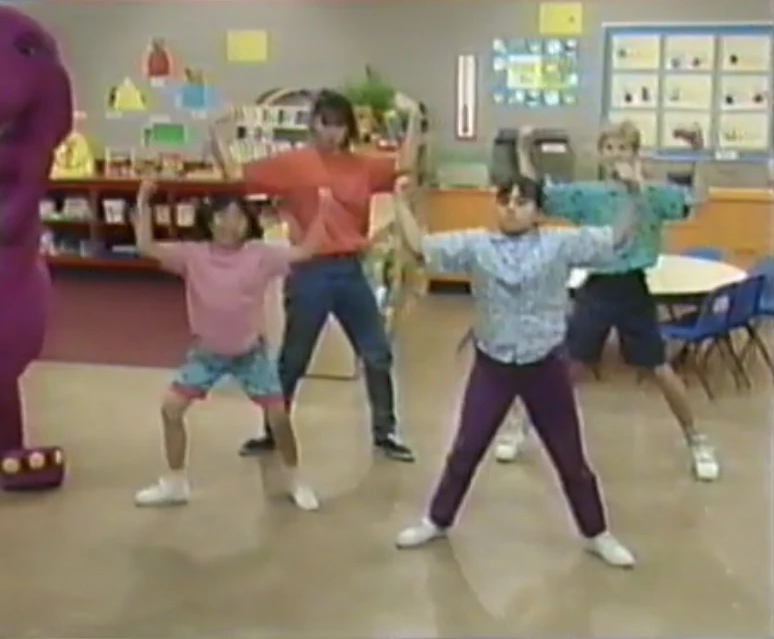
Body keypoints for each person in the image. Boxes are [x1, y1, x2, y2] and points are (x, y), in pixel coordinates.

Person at [391, 173, 639, 567]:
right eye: (505, 200)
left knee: (569, 456)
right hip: (494, 365)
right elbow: (421, 246)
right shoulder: (477, 244)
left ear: (538, 211)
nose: (511, 208)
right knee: (466, 448)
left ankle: (597, 532)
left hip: (545, 364)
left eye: (521, 202)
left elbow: (616, 238)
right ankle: (436, 520)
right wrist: (400, 201)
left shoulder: (559, 243)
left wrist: (633, 195)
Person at [493, 122, 718, 482]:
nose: (616, 155)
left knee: (659, 369)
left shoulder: (652, 195)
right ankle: (520, 427)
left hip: (633, 289)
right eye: (610, 148)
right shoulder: (589, 195)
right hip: (597, 288)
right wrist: (523, 147)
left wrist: (699, 150)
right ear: (601, 155)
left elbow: (699, 199)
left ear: (634, 153)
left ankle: (697, 440)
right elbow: (536, 192)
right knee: (564, 366)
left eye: (623, 148)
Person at [209, 90, 420, 462]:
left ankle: (385, 432)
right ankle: (272, 431)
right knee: (293, 358)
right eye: (325, 123)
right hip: (310, 272)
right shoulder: (294, 164)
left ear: (348, 128)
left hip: (350, 270)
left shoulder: (362, 166)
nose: (332, 133)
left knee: (376, 353)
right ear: (313, 124)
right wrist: (216, 130)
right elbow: (235, 173)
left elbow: (406, 165)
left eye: (339, 125)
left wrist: (414, 117)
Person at [131, 178, 327, 510]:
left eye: (237, 216)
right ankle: (175, 483)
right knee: (171, 409)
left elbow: (307, 250)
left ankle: (295, 480)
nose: (229, 224)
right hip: (206, 354)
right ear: (209, 220)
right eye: (222, 216)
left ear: (248, 222)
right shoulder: (193, 255)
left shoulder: (260, 254)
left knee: (279, 417)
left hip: (251, 354)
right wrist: (143, 200)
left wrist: (323, 208)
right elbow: (146, 246)